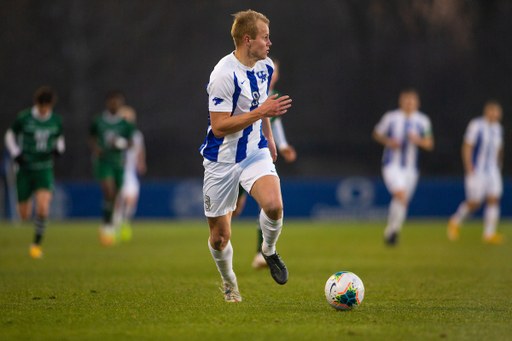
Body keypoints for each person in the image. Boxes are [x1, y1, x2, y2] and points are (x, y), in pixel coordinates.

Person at [199, 9, 292, 302]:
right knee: (219, 237)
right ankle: (229, 282)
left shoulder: (264, 67)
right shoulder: (223, 75)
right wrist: (261, 113)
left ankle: (268, 249)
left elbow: (262, 102)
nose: (270, 43)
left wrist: (270, 137)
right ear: (248, 40)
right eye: (265, 37)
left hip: (254, 150)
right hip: (222, 161)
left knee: (274, 205)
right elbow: (219, 126)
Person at [230, 58, 297, 269]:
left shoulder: (274, 96)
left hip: (260, 156)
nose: (273, 74)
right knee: (235, 210)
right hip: (238, 155)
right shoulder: (246, 87)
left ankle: (263, 252)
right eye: (271, 70)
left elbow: (276, 122)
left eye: (276, 71)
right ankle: (220, 242)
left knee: (268, 203)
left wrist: (282, 144)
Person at [4, 86, 65, 258]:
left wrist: (59, 149)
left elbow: (60, 139)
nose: (44, 110)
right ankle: (27, 213)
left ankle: (36, 245)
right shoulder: (24, 118)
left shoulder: (56, 120)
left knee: (43, 207)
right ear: (36, 104)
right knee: (23, 214)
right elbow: (9, 135)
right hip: (25, 169)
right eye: (41, 106)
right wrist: (16, 153)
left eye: (47, 106)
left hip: (44, 169)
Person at [373, 89, 434, 246]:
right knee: (401, 195)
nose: (408, 103)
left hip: (411, 169)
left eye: (412, 101)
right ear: (400, 102)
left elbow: (429, 143)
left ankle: (392, 231)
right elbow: (377, 133)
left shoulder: (423, 120)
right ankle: (393, 232)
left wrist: (417, 140)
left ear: (417, 103)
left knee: (402, 200)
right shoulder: (391, 117)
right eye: (406, 100)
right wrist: (389, 142)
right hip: (391, 165)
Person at [447, 101, 504, 244]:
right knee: (475, 202)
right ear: (486, 111)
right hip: (477, 169)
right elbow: (467, 146)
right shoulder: (476, 125)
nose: (494, 114)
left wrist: (499, 165)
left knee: (494, 198)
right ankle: (455, 220)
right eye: (492, 110)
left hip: (492, 170)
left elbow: (499, 149)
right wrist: (468, 166)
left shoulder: (498, 128)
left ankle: (489, 234)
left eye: (496, 111)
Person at [88, 91, 136, 246]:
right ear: (108, 103)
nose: (115, 105)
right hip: (104, 162)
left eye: (118, 103)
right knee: (108, 190)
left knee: (114, 195)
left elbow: (131, 143)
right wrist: (96, 149)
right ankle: (107, 226)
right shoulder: (99, 121)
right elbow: (91, 137)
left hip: (118, 162)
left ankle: (108, 222)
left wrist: (119, 143)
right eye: (113, 102)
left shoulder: (125, 124)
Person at [113, 105, 146, 241]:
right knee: (119, 199)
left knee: (132, 199)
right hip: (118, 171)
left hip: (130, 172)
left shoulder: (137, 135)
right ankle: (114, 226)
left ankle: (125, 222)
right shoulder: (116, 134)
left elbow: (140, 150)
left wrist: (141, 163)